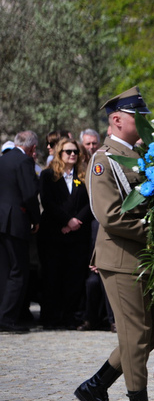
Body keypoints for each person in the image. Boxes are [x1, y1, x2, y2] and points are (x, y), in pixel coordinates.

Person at [74, 86, 154, 401]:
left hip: (144, 258)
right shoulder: (104, 160)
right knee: (135, 335)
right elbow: (110, 215)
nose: (144, 121)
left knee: (148, 333)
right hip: (120, 258)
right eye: (138, 115)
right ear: (117, 119)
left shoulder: (142, 155)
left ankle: (96, 385)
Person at [38, 138, 92, 329]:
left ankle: (71, 317)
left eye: (75, 152)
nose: (72, 155)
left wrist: (76, 221)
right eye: (68, 151)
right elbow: (47, 201)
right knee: (52, 276)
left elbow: (90, 202)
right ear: (59, 153)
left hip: (78, 234)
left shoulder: (84, 176)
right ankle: (51, 318)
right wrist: (66, 221)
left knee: (74, 277)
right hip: (53, 233)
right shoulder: (48, 175)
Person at [0, 131, 40, 331]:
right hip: (15, 221)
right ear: (33, 148)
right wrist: (36, 219)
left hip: (1, 221)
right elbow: (29, 194)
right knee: (18, 271)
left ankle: (3, 314)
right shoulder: (24, 161)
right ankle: (7, 318)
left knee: (4, 270)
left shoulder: (3, 159)